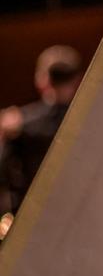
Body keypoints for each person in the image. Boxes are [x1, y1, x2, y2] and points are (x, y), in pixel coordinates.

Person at [0, 45, 82, 214]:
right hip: (75, 212)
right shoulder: (88, 125)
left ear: (42, 80)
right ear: (78, 81)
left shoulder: (17, 125)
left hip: (28, 215)